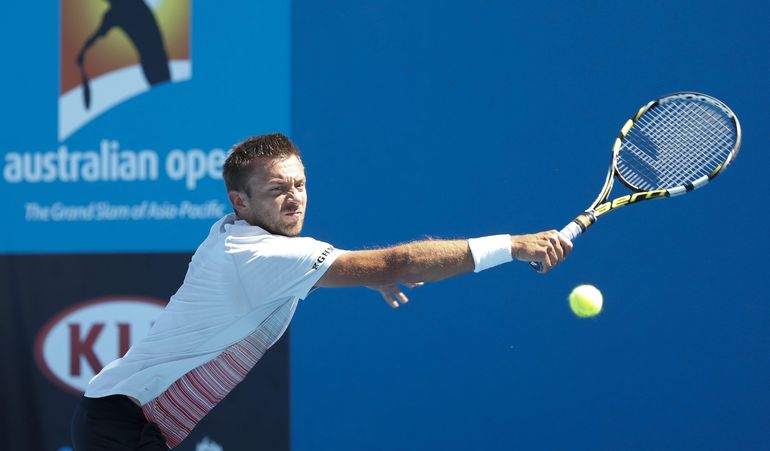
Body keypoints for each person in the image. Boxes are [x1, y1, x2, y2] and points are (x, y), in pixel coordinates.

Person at [70, 133, 572, 449]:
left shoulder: (241, 236)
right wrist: (513, 245)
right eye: (277, 190)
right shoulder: (256, 256)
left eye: (300, 184)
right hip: (122, 424)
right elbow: (398, 261)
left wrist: (370, 275)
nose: (294, 199)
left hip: (127, 421)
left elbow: (365, 269)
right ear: (239, 201)